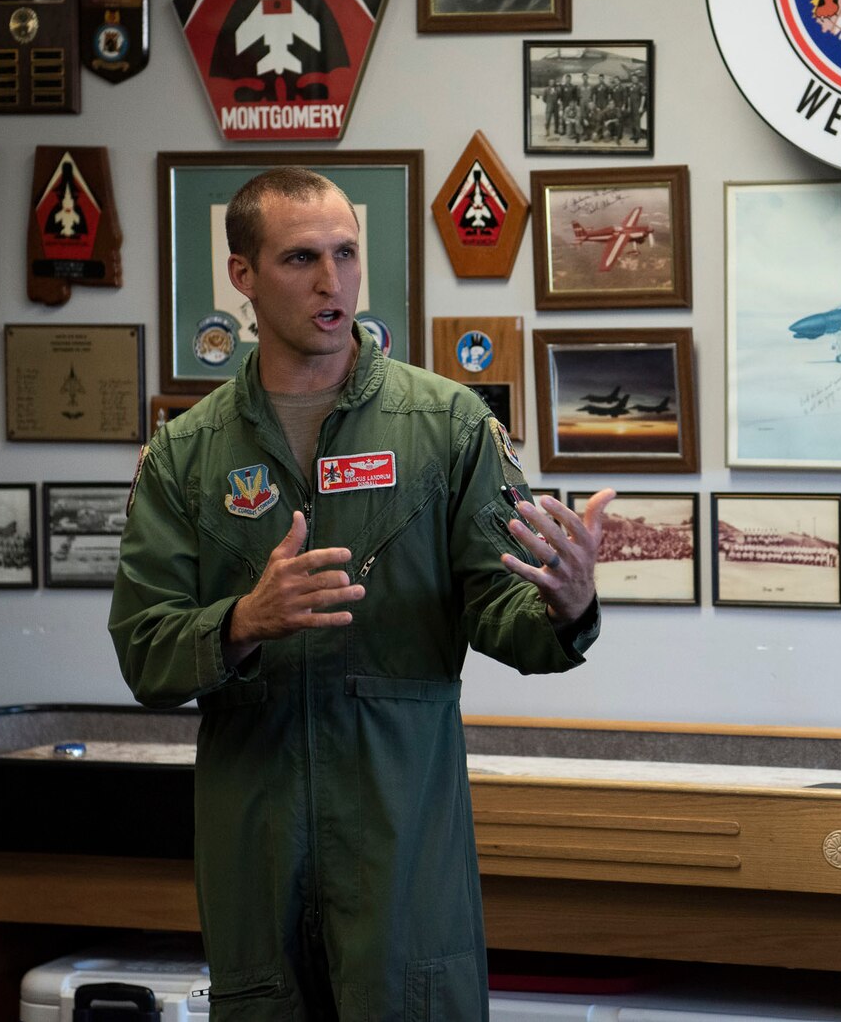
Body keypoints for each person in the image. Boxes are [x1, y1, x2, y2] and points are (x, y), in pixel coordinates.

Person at [109, 167, 613, 1020]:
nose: (331, 280)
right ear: (242, 276)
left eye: (346, 254)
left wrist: (565, 602)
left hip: (399, 833)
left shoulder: (446, 426)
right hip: (254, 835)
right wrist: (242, 622)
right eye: (301, 257)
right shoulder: (185, 454)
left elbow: (502, 611)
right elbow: (145, 649)